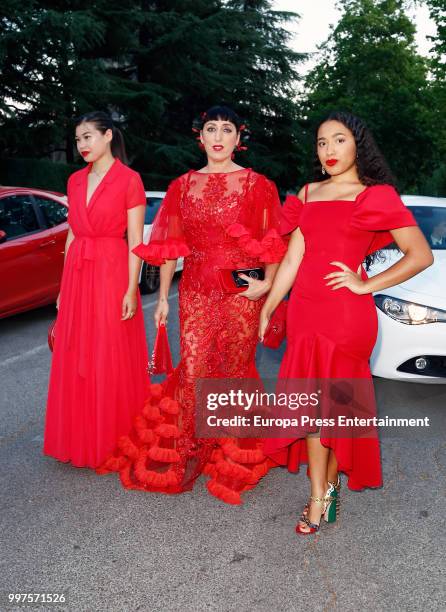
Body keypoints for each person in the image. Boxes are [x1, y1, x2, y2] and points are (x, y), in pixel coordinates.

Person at [97, 105, 286, 503]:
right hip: (196, 289)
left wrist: (267, 285)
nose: (218, 136)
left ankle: (230, 450)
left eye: (227, 129)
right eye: (211, 129)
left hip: (241, 293)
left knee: (233, 367)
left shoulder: (259, 185)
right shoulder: (181, 186)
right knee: (197, 366)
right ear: (200, 137)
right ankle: (190, 451)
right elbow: (170, 249)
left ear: (239, 138)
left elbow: (272, 242)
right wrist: (163, 297)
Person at [259, 111, 433, 534]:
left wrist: (366, 283)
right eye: (321, 142)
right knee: (315, 409)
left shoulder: (375, 196)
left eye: (338, 140)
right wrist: (269, 305)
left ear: (358, 144)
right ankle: (323, 489)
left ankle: (322, 493)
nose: (329, 150)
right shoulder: (308, 192)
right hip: (305, 313)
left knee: (333, 410)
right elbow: (295, 256)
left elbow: (420, 255)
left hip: (345, 317)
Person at [44, 111, 149, 468]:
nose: (82, 145)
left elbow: (136, 238)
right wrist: (62, 287)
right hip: (78, 271)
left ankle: (110, 436)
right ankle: (78, 434)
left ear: (108, 136)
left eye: (88, 136)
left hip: (111, 268)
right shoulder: (74, 180)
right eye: (78, 139)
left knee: (108, 350)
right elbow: (73, 231)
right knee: (75, 351)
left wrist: (131, 288)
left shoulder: (129, 179)